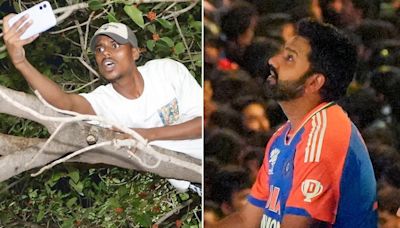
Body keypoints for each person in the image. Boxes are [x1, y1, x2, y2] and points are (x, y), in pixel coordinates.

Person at [2, 15, 202, 190]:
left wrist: (145, 135)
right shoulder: (104, 102)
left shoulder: (166, 72)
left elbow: (203, 124)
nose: (105, 52)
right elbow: (64, 103)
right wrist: (21, 62)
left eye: (114, 46)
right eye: (99, 49)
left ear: (134, 53)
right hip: (194, 177)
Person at [211, 18, 377, 227]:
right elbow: (247, 219)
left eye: (289, 58)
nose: (273, 60)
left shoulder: (323, 137)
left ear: (313, 82)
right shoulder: (284, 135)